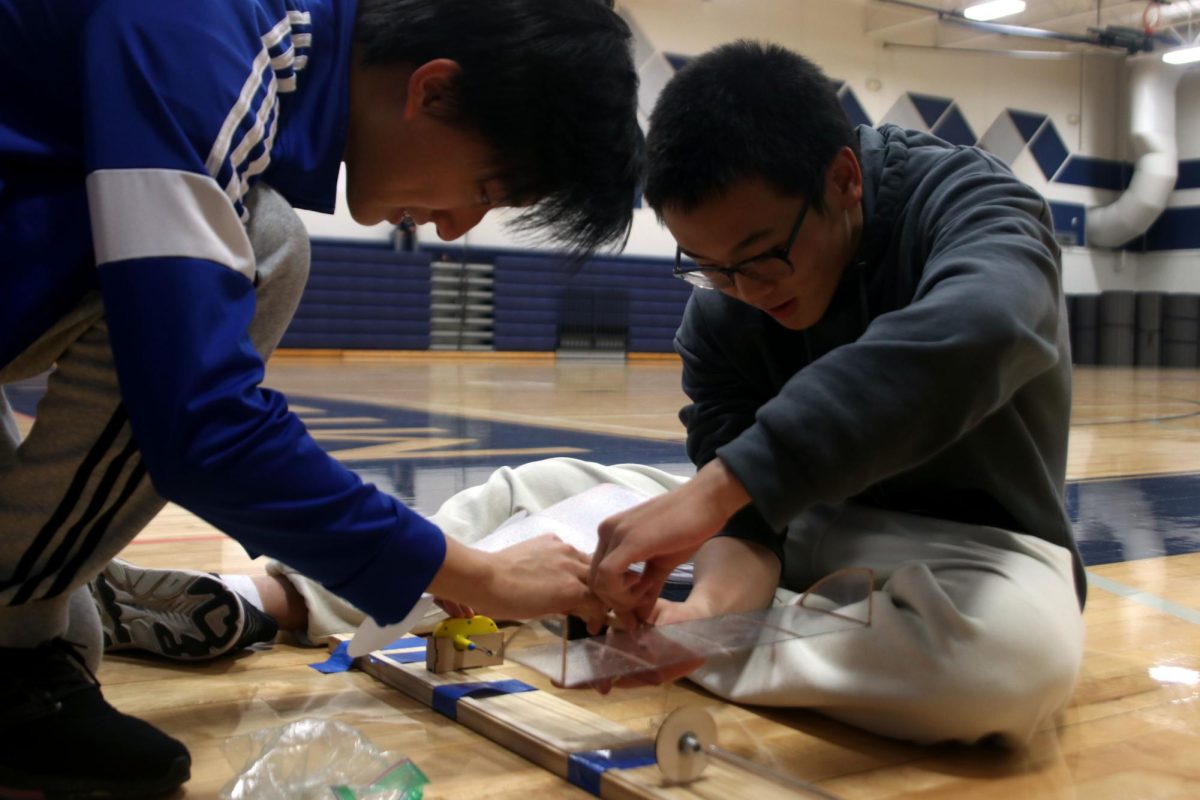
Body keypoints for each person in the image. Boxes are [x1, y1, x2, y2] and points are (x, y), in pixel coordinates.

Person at [0, 0, 642, 795]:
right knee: (268, 245)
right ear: (433, 91)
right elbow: (199, 422)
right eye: (486, 188)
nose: (455, 229)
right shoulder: (202, 30)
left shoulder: (254, 48)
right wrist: (474, 575)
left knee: (63, 620)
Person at [582, 40, 1087, 746]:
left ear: (844, 179)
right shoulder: (723, 307)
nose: (746, 292)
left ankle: (716, 645)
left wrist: (723, 486)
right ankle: (719, 643)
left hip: (962, 551)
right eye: (710, 268)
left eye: (763, 257)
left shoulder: (971, 205)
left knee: (1019, 661)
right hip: (800, 531)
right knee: (534, 490)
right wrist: (707, 615)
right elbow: (749, 521)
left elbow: (989, 322)